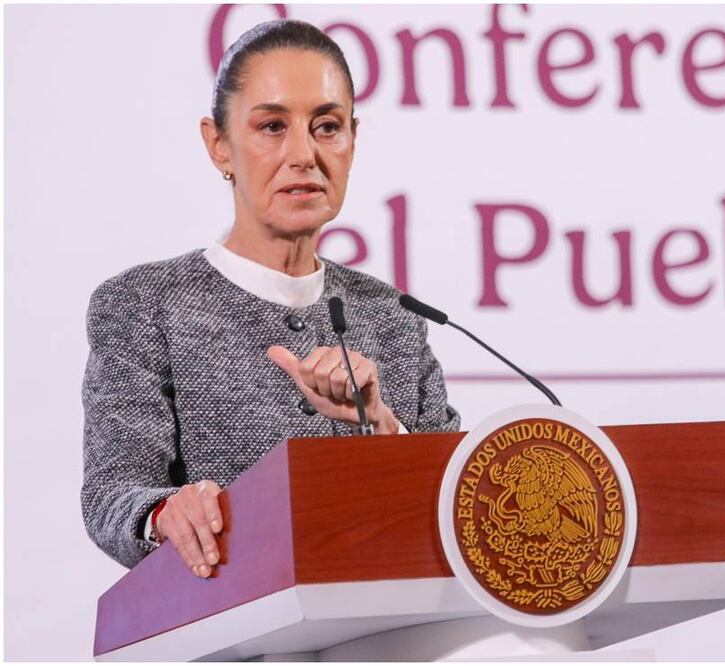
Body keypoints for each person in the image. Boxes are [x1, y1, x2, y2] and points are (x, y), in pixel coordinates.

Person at [80, 19, 460, 578]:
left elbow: (460, 497)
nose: (303, 154)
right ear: (219, 145)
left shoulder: (392, 316)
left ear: (352, 141)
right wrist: (166, 512)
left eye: (327, 127)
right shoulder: (144, 305)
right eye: (272, 126)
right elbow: (113, 494)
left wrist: (383, 425)